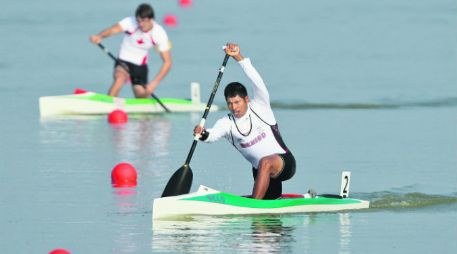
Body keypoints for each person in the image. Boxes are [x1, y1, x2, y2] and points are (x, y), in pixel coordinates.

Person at [194, 43, 296, 200]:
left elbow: (256, 80)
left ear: (246, 99)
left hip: (284, 163)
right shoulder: (227, 122)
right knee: (268, 216)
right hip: (261, 173)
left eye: (237, 102)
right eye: (230, 103)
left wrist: (238, 57)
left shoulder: (260, 106)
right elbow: (212, 135)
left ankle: (253, 205)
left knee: (265, 162)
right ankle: (279, 202)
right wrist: (202, 134)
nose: (234, 107)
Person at [89, 3, 172, 98]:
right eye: (138, 21)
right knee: (120, 79)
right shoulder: (130, 22)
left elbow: (167, 62)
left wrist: (154, 83)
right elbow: (113, 30)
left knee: (142, 96)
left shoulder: (159, 33)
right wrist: (100, 36)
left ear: (151, 19)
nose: (140, 24)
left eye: (143, 21)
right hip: (123, 61)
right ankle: (109, 106)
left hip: (140, 67)